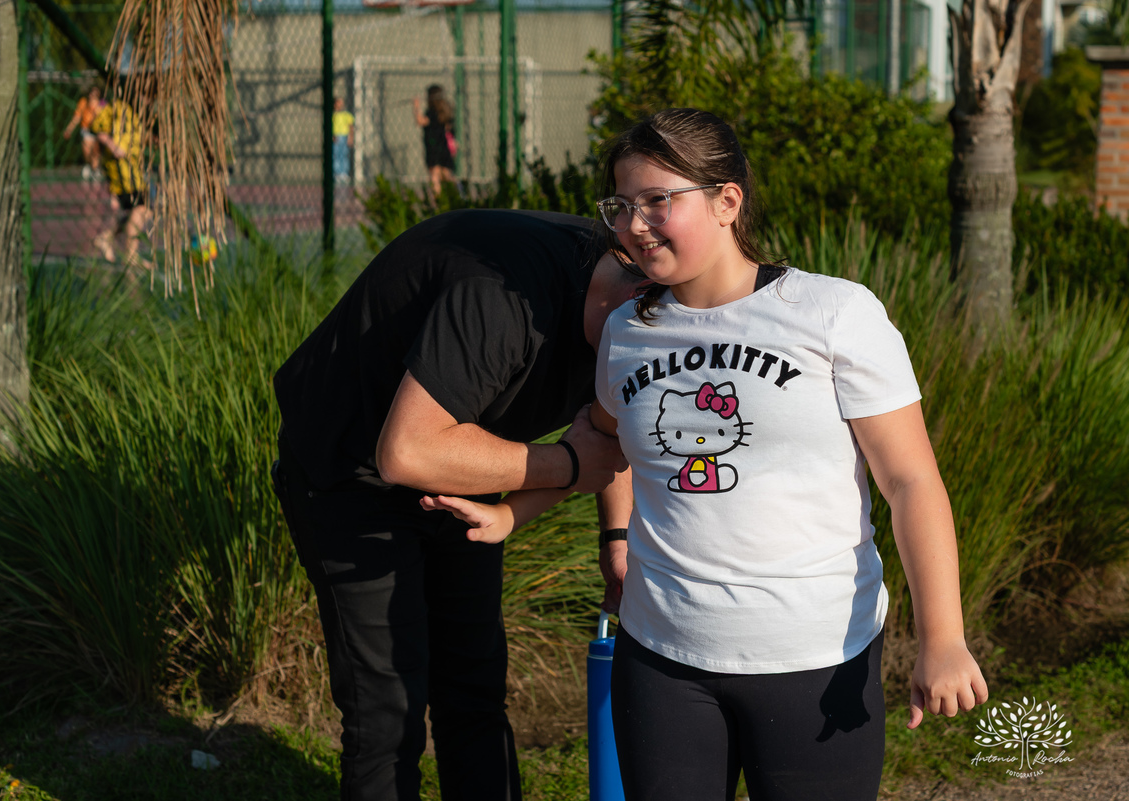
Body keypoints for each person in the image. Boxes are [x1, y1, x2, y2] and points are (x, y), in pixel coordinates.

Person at [420, 108, 989, 801]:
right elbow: (600, 447)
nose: (634, 224)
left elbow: (910, 481)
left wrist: (943, 635)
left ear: (727, 201)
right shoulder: (627, 331)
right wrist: (515, 514)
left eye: (658, 200)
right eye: (621, 205)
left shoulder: (834, 312)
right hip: (661, 662)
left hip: (816, 661)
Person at [270, 209, 643, 801]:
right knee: (386, 713)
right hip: (350, 468)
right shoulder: (504, 300)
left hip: (459, 462)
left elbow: (610, 431)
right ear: (636, 292)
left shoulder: (635, 312)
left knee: (472, 690)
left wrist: (616, 543)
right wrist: (565, 465)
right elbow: (407, 451)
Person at [88, 96, 153, 275]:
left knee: (140, 211)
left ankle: (107, 238)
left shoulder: (135, 111)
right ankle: (130, 255)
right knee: (142, 209)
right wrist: (113, 146)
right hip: (123, 174)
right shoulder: (117, 108)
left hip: (133, 171)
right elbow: (96, 128)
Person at [413, 84, 456, 197]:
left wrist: (416, 107)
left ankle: (439, 200)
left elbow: (420, 121)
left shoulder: (431, 113)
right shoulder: (446, 113)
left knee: (435, 176)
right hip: (444, 148)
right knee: (447, 174)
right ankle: (457, 194)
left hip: (433, 148)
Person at [62, 82, 107, 181]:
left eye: (95, 93)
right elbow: (77, 117)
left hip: (99, 131)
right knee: (87, 152)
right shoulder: (83, 102)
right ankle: (89, 165)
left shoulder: (102, 103)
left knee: (96, 151)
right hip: (86, 129)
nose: (93, 95)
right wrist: (69, 129)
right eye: (91, 92)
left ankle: (95, 170)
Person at [332, 96, 355, 185]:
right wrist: (332, 136)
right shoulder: (333, 115)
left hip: (344, 137)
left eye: (341, 102)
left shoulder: (347, 115)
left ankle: (344, 173)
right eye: (338, 102)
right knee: (336, 155)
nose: (340, 104)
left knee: (344, 155)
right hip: (336, 137)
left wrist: (350, 137)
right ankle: (337, 173)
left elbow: (351, 127)